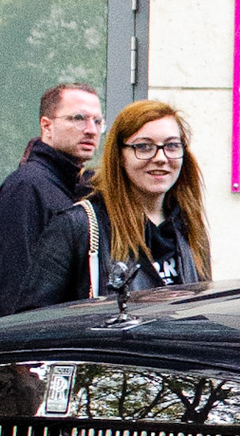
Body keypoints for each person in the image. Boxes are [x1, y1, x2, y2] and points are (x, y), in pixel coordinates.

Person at [20, 99, 211, 308]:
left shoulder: (188, 226)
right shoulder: (77, 226)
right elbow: (33, 322)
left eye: (172, 146)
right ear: (119, 156)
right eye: (144, 147)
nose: (161, 157)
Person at [0, 79, 103, 317]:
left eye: (97, 121)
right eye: (78, 118)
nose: (91, 130)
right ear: (47, 125)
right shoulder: (27, 186)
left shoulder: (78, 185)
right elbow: (20, 287)